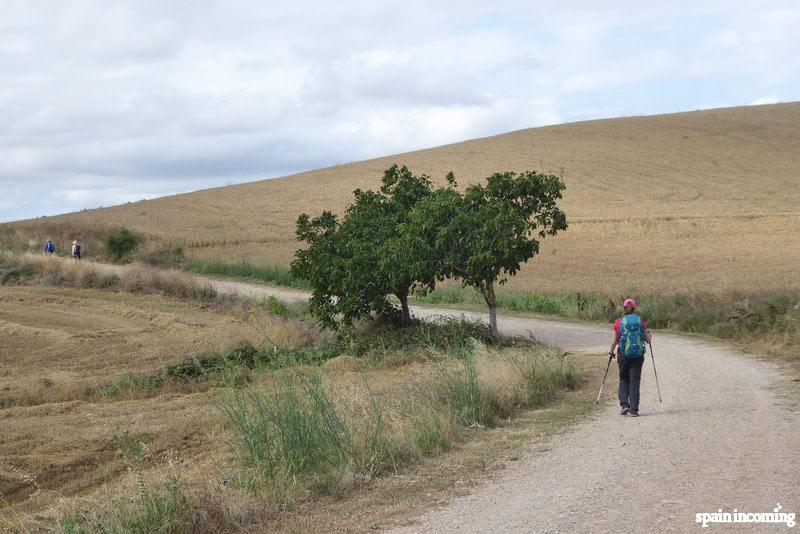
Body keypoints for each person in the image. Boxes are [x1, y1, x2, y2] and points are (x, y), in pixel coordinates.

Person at [608, 298, 651, 417]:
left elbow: (614, 340)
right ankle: (634, 410)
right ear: (634, 308)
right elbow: (648, 340)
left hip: (623, 354)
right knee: (635, 381)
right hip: (637, 355)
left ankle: (624, 405)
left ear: (623, 309)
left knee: (623, 379)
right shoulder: (640, 321)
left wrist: (611, 352)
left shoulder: (618, 322)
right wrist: (649, 333)